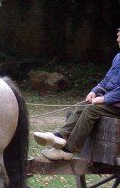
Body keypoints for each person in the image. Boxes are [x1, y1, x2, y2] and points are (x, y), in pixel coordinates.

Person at [33, 28, 120, 160]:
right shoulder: (118, 57)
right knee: (82, 105)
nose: (118, 39)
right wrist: (94, 91)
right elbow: (106, 80)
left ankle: (68, 150)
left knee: (91, 110)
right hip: (112, 103)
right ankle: (60, 136)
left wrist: (104, 98)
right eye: (118, 36)